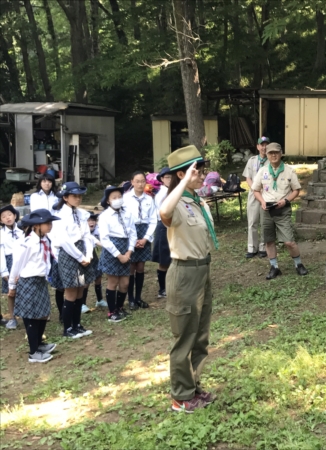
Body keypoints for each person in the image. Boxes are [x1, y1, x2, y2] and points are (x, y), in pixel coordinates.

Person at [159, 145, 217, 413]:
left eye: (201, 169)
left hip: (202, 271)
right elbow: (164, 213)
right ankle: (180, 397)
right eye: (196, 170)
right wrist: (181, 182)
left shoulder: (197, 201)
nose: (201, 174)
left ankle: (193, 387)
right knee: (184, 336)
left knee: (200, 335)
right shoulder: (177, 202)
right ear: (182, 174)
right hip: (184, 272)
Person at [8, 209, 61, 363]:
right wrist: (12, 285)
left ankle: (39, 344)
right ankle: (33, 353)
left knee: (43, 313)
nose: (50, 226)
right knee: (31, 315)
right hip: (28, 281)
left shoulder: (45, 240)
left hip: (40, 280)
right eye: (47, 223)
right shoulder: (27, 243)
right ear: (37, 225)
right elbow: (17, 264)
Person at [251, 142, 308, 280]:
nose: (274, 155)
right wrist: (262, 202)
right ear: (267, 155)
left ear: (281, 153)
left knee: (289, 241)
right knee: (269, 240)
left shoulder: (289, 170)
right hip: (267, 210)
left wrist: (286, 201)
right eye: (271, 153)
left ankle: (298, 264)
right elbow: (255, 190)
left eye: (276, 152)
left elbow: (296, 190)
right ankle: (274, 267)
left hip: (283, 209)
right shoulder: (263, 171)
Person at [52, 182, 95, 339]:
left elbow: (87, 236)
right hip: (69, 254)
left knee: (80, 290)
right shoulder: (60, 215)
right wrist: (80, 257)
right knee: (70, 291)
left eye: (79, 196)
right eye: (74, 196)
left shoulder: (81, 213)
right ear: (65, 197)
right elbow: (64, 241)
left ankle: (77, 325)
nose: (78, 199)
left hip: (83, 251)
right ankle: (68, 328)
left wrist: (89, 254)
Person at [98, 186, 137, 323]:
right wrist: (118, 255)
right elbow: (104, 238)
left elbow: (133, 233)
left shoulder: (128, 213)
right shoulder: (104, 216)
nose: (117, 200)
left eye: (119, 197)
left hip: (126, 248)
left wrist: (129, 251)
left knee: (125, 283)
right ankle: (112, 311)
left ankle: (120, 307)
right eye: (114, 198)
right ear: (108, 201)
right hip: (112, 250)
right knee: (113, 282)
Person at [124, 171, 157, 310]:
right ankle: (130, 298)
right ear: (132, 182)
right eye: (137, 181)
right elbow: (124, 220)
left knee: (141, 266)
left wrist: (146, 238)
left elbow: (153, 220)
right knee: (131, 266)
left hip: (144, 232)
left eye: (143, 181)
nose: (140, 184)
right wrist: (133, 238)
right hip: (131, 231)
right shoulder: (125, 198)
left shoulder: (149, 199)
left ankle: (138, 297)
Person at [242, 136, 270, 258]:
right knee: (252, 221)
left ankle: (263, 247)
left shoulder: (271, 160)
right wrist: (253, 188)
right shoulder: (252, 160)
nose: (264, 147)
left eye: (266, 145)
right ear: (257, 147)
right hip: (254, 193)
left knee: (264, 221)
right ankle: (252, 248)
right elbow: (247, 177)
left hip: (266, 194)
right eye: (261, 145)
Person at [1, 205, 24, 329]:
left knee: (25, 290)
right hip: (9, 262)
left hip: (22, 261)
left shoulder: (23, 231)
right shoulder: (1, 234)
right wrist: (4, 272)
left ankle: (28, 315)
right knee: (11, 293)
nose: (7, 218)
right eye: (4, 217)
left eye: (9, 215)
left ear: (15, 216)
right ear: (1, 220)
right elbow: (1, 254)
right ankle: (13, 317)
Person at [152, 167, 172, 298]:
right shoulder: (162, 193)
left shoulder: (175, 191)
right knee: (164, 259)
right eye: (167, 177)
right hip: (163, 226)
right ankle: (162, 289)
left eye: (172, 177)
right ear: (162, 179)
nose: (170, 180)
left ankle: (171, 286)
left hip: (174, 226)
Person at [86, 214, 107, 309]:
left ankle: (99, 300)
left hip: (93, 254)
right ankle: (82, 304)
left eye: (93, 220)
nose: (91, 222)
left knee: (98, 276)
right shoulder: (82, 231)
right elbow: (96, 241)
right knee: (86, 280)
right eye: (89, 220)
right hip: (84, 255)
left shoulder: (98, 229)